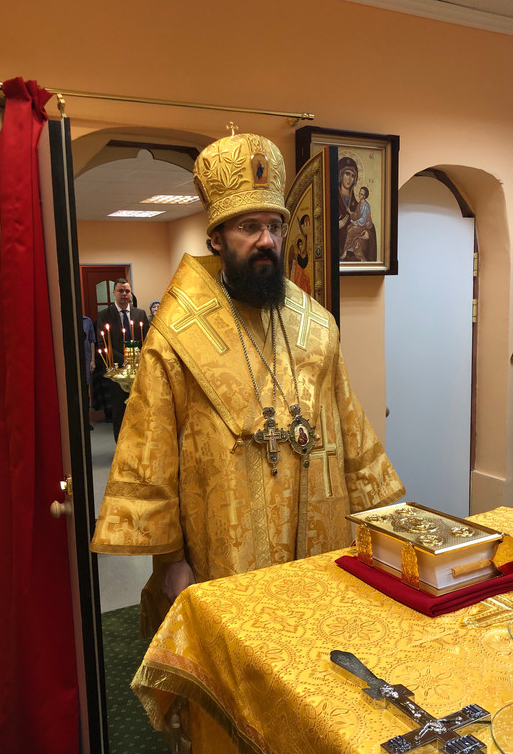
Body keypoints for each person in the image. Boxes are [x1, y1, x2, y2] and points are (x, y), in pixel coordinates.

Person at [90, 132, 404, 637]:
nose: (266, 241)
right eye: (248, 227)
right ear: (216, 238)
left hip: (317, 535)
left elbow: (349, 425)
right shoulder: (176, 335)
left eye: (274, 226)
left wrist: (379, 523)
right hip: (225, 545)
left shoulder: (316, 325)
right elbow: (152, 452)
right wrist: (171, 561)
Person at [96, 279, 149, 441]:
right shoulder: (105, 315)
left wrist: (138, 358)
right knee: (119, 411)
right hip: (117, 371)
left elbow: (147, 340)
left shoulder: (140, 314)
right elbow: (103, 343)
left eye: (127, 291)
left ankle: (139, 444)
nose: (124, 294)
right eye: (120, 291)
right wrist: (125, 359)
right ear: (114, 293)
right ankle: (121, 446)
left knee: (140, 408)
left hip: (139, 370)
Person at [342, 186, 374, 261]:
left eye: (362, 194)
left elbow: (363, 220)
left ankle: (345, 252)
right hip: (360, 224)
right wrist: (350, 212)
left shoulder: (366, 206)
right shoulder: (360, 203)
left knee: (351, 230)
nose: (359, 195)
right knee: (348, 227)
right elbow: (357, 215)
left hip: (364, 226)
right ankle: (347, 250)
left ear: (365, 196)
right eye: (359, 193)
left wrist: (355, 222)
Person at [82, 315, 96, 430]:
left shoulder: (87, 321)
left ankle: (86, 421)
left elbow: (92, 341)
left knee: (85, 392)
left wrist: (92, 360)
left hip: (86, 360)